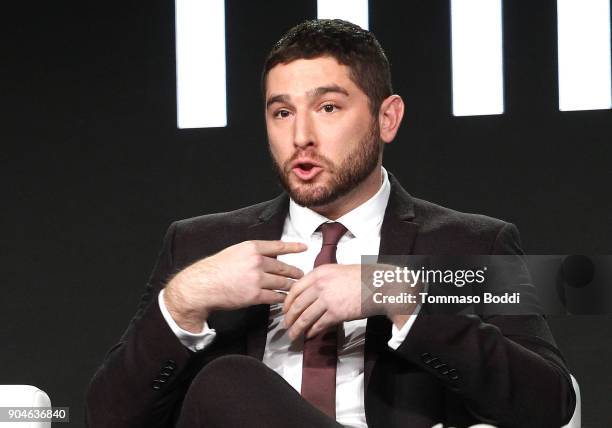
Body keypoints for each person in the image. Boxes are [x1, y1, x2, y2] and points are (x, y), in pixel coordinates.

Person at [86, 19, 575, 428]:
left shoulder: (473, 244)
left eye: (328, 108)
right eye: (281, 113)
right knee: (227, 385)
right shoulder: (200, 243)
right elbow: (107, 418)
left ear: (388, 118)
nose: (301, 136)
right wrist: (183, 301)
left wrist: (400, 297)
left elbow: (551, 407)